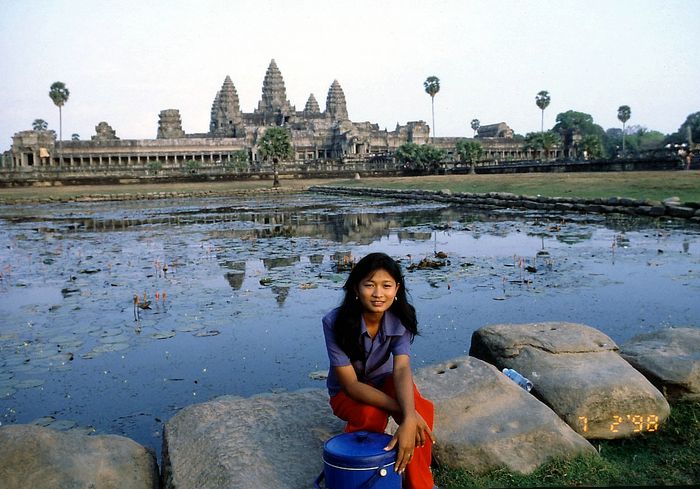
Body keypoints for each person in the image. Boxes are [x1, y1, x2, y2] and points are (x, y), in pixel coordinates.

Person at [322, 252, 436, 489]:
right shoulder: (335, 322)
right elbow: (351, 385)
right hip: (346, 394)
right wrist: (406, 415)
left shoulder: (401, 318)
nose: (378, 294)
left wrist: (412, 414)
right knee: (371, 415)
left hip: (384, 381)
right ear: (356, 288)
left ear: (397, 288)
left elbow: (402, 368)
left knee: (422, 408)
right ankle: (362, 473)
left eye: (386, 286)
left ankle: (419, 485)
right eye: (369, 285)